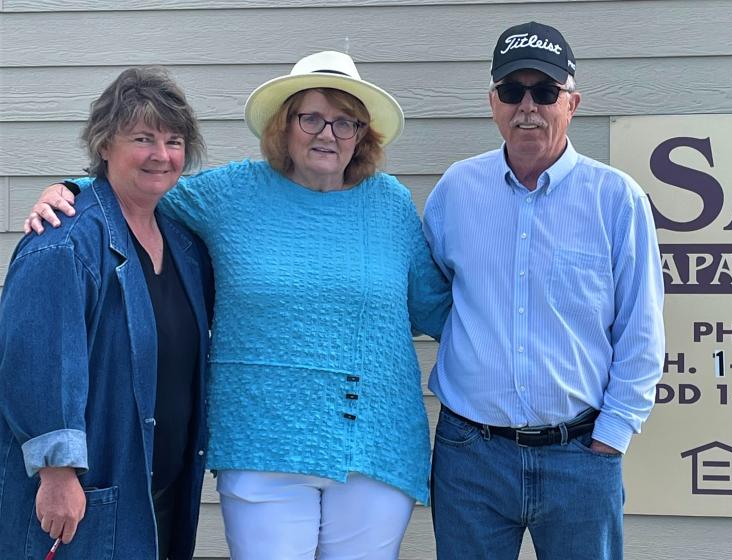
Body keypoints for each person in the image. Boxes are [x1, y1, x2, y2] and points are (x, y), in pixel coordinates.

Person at [24, 52, 451, 560]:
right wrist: (70, 188)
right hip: (261, 443)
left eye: (344, 122)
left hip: (375, 446)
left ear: (362, 134)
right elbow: (137, 187)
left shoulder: (391, 204)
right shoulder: (231, 193)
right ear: (284, 125)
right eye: (311, 117)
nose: (327, 133)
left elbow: (434, 308)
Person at [423, 22, 665, 559]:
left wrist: (612, 435)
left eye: (545, 92)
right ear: (493, 104)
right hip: (471, 456)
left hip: (580, 454)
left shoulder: (616, 200)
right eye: (512, 91)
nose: (527, 106)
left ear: (572, 103)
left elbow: (641, 330)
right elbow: (433, 296)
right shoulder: (456, 191)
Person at [0, 67, 213, 560]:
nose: (161, 155)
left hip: (156, 497)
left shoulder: (184, 245)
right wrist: (57, 473)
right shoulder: (65, 239)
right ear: (104, 145)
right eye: (143, 138)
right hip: (86, 501)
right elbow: (34, 360)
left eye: (174, 140)